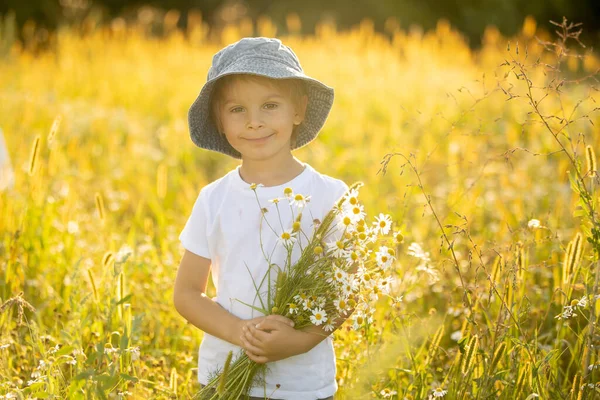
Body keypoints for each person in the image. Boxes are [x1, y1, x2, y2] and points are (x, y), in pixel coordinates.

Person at [173, 37, 348, 400]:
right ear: (219, 120)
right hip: (224, 378)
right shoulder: (213, 199)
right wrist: (241, 332)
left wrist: (300, 341)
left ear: (298, 109)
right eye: (237, 109)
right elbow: (187, 293)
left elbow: (345, 291)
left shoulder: (330, 196)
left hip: (302, 385)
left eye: (270, 105)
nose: (254, 122)